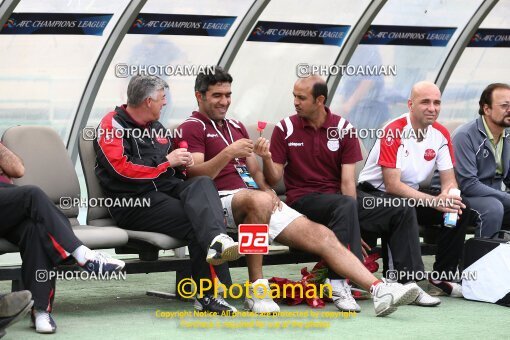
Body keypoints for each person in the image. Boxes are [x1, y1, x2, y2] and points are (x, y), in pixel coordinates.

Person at [179, 66, 420, 317]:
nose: (225, 101)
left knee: (324, 236)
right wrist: (228, 153)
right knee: (258, 202)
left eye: (228, 94)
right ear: (200, 96)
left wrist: (267, 189)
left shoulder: (235, 126)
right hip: (220, 202)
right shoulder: (192, 127)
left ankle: (379, 290)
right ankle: (257, 289)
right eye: (217, 95)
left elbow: (255, 172)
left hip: (257, 199)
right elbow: (197, 176)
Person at [262, 75, 439, 307]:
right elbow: (275, 179)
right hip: (304, 202)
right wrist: (266, 158)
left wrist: (353, 224)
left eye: (301, 97)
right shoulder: (285, 128)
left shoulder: (344, 128)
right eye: (294, 96)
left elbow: (347, 183)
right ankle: (339, 285)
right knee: (345, 204)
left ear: (319, 100)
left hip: (341, 201)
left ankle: (409, 284)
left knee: (400, 208)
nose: (295, 102)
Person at [94, 75, 241, 313]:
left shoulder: (157, 128)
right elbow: (120, 169)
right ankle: (208, 295)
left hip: (164, 191)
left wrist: (182, 163)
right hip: (133, 201)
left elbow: (171, 168)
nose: (165, 103)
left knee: (202, 183)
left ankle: (219, 243)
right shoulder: (112, 125)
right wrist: (166, 161)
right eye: (162, 99)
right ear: (148, 101)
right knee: (198, 221)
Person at [357, 81, 474, 297]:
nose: (432, 108)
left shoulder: (440, 133)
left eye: (437, 103)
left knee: (460, 209)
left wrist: (450, 196)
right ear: (411, 104)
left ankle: (442, 277)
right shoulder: (394, 130)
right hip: (371, 195)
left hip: (408, 195)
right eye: (425, 102)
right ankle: (400, 280)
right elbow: (392, 185)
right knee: (402, 207)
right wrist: (433, 201)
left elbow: (449, 180)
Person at [0, 142, 125, 334]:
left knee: (35, 230)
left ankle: (40, 310)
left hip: (6, 206)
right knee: (32, 194)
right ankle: (82, 254)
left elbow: (18, 169)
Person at [452, 83, 510, 238]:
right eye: (504, 105)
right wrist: (506, 197)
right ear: (486, 109)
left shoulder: (508, 135)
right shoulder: (465, 136)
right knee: (493, 208)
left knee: (496, 203)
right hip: (460, 197)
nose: (509, 110)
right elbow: (468, 184)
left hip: (493, 195)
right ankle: (482, 260)